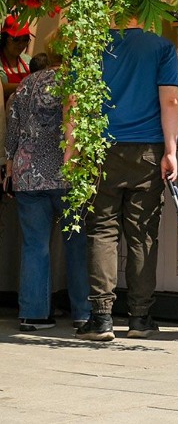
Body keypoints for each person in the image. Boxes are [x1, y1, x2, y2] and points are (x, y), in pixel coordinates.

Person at [76, 20, 178, 341]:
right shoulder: (161, 47)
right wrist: (171, 151)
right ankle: (140, 318)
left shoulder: (88, 47)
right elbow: (170, 101)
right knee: (142, 235)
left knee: (101, 231)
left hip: (99, 150)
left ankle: (101, 318)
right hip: (148, 150)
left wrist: (71, 149)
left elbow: (74, 102)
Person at [6, 47, 90, 331]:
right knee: (75, 243)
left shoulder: (24, 85)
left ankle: (33, 314)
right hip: (65, 172)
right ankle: (83, 313)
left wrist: (9, 165)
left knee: (34, 245)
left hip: (27, 173)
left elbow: (12, 129)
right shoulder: (71, 82)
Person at [0, 15, 33, 100]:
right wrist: (26, 86)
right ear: (5, 38)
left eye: (25, 40)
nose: (21, 45)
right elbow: (2, 88)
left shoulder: (28, 60)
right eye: (16, 39)